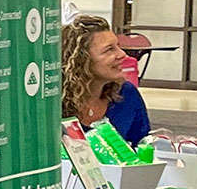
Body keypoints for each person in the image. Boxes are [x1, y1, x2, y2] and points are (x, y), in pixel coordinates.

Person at [62, 15, 150, 144]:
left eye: (118, 46)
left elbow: (143, 148)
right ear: (81, 59)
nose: (122, 54)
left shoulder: (126, 95)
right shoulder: (53, 102)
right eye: (109, 49)